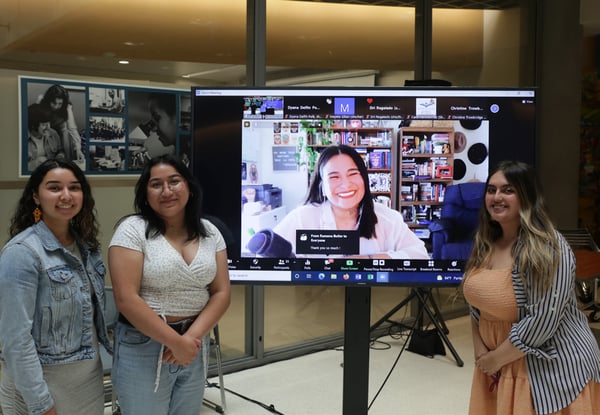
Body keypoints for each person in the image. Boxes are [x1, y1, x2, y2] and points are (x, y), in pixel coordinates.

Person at [462, 160, 600, 415]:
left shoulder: (548, 247)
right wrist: (482, 352)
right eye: (491, 190)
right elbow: (476, 303)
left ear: (527, 196)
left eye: (508, 190)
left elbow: (543, 320)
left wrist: (494, 360)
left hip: (550, 368)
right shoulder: (486, 241)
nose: (496, 197)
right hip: (498, 364)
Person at [108, 154, 231, 415]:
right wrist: (175, 342)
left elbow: (221, 293)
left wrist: (189, 339)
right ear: (146, 192)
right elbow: (126, 298)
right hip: (143, 344)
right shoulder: (132, 230)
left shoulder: (210, 231)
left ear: (188, 186)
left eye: (174, 181)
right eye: (156, 184)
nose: (166, 191)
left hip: (194, 342)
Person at [0, 159, 111, 415]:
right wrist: (41, 404)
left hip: (87, 383)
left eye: (74, 187)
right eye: (54, 188)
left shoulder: (87, 247)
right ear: (36, 197)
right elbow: (15, 340)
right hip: (40, 387)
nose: (66, 195)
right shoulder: (22, 253)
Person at [272, 144, 429, 259]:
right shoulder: (302, 217)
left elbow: (421, 255)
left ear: (364, 179)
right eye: (334, 177)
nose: (346, 185)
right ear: (323, 187)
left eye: (353, 174)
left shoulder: (387, 217)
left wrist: (371, 260)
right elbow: (266, 257)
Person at [38, 84, 85, 167]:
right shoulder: (41, 102)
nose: (56, 107)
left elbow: (72, 128)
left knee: (66, 131)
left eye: (59, 104)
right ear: (48, 100)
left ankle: (66, 162)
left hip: (61, 133)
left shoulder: (67, 107)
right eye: (54, 103)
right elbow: (36, 124)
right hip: (46, 132)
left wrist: (78, 149)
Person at [27, 103, 65, 171]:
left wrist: (60, 156)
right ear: (33, 126)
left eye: (49, 123)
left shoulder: (53, 133)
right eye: (44, 124)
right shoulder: (21, 140)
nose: (48, 127)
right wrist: (34, 164)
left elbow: (60, 150)